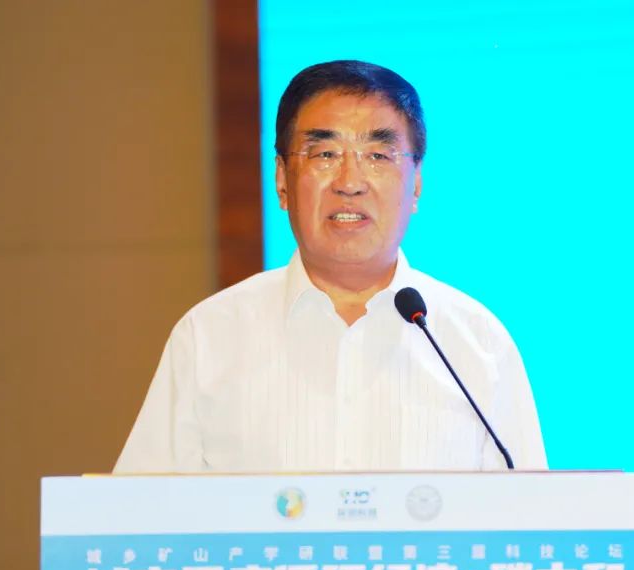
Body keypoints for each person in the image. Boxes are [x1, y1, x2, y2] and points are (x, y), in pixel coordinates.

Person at [114, 60, 546, 473]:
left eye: (378, 156)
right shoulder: (209, 336)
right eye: (324, 154)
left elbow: (530, 512)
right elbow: (137, 513)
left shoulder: (477, 344)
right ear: (282, 180)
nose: (350, 182)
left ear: (415, 183)